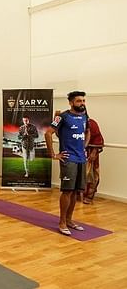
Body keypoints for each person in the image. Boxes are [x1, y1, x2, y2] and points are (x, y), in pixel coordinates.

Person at [45, 91, 90, 236]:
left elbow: (87, 131)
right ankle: (62, 222)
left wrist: (84, 146)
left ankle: (70, 220)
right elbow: (48, 133)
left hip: (81, 159)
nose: (82, 103)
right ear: (71, 102)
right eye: (78, 101)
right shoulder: (62, 117)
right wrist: (53, 154)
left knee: (77, 192)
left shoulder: (84, 116)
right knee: (68, 191)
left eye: (83, 100)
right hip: (68, 159)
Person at [83, 117, 104, 204]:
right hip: (77, 152)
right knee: (78, 174)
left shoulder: (91, 123)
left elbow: (98, 139)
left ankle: (89, 196)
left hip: (90, 152)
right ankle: (78, 194)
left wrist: (94, 152)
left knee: (91, 175)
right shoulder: (72, 122)